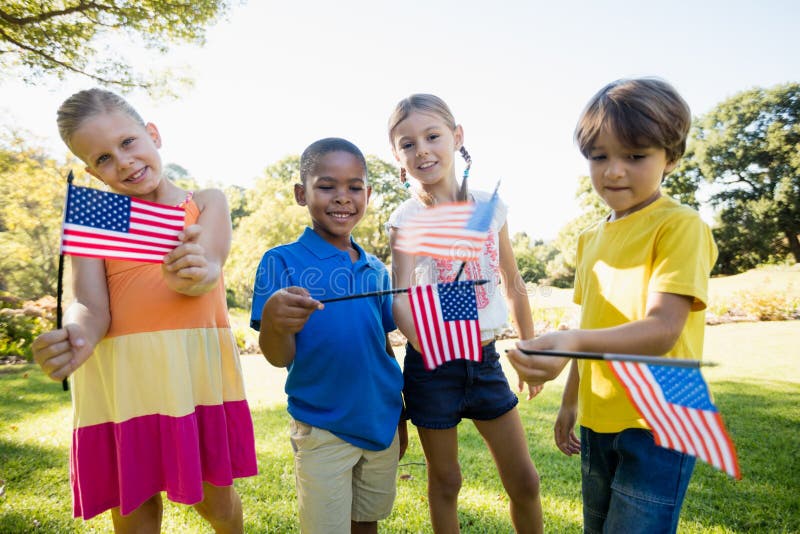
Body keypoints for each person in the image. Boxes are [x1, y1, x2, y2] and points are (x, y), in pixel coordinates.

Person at [31, 88, 257, 533]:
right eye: (103, 159)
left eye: (128, 142)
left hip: (193, 375)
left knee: (218, 504)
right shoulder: (96, 218)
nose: (123, 162)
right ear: (90, 170)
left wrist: (191, 273)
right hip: (125, 379)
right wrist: (76, 336)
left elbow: (209, 268)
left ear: (152, 133)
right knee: (134, 510)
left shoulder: (206, 202)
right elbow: (89, 305)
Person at [507, 78, 718, 534]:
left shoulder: (680, 226)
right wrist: (570, 403)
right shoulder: (589, 239)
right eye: (599, 156)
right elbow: (591, 322)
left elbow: (662, 330)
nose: (614, 171)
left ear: (672, 158)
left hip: (663, 418)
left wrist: (568, 342)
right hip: (600, 418)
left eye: (635, 156)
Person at [386, 94, 543, 533]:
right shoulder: (408, 218)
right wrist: (428, 342)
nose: (422, 150)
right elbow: (400, 296)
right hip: (432, 366)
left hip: (486, 361)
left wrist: (530, 352)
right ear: (397, 156)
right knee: (446, 480)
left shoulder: (488, 207)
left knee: (525, 479)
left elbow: (512, 282)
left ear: (457, 137)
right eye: (407, 143)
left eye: (432, 136)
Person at [251, 137, 407, 534]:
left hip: (381, 419)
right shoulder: (280, 261)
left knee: (366, 520)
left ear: (368, 194)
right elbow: (278, 356)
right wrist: (273, 320)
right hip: (322, 426)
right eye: (327, 186)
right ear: (302, 193)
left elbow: (383, 345)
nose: (343, 197)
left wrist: (399, 415)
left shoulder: (375, 268)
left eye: (355, 187)